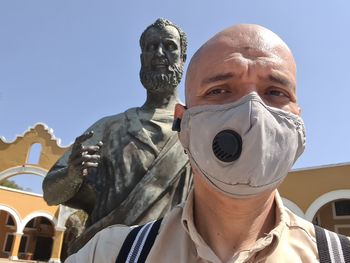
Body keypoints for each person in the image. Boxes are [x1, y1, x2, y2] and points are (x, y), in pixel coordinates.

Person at [65, 24, 349, 263]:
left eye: (275, 92)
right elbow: (58, 187)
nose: (252, 113)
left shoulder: (339, 255)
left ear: (298, 119)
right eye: (220, 90)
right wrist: (72, 173)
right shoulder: (107, 254)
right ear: (183, 121)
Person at [42, 18, 192, 254]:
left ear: (182, 58)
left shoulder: (197, 125)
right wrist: (72, 175)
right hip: (107, 253)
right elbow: (50, 192)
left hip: (176, 254)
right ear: (142, 59)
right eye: (151, 47)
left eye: (169, 46)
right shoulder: (108, 127)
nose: (159, 53)